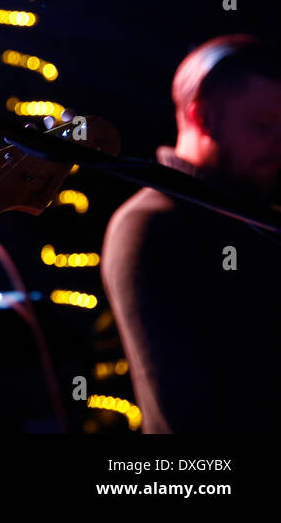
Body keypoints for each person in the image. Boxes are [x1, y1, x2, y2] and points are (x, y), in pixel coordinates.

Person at [100, 34, 281, 432]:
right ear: (201, 117)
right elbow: (190, 414)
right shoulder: (150, 224)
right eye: (262, 126)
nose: (278, 143)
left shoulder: (252, 212)